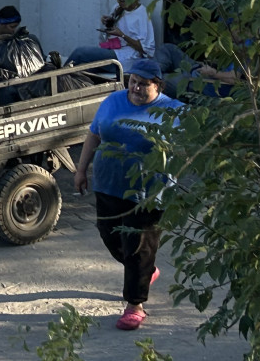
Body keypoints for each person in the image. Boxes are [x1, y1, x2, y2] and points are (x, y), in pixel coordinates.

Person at [74, 58, 183, 331]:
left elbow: (193, 144)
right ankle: (145, 271)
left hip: (148, 192)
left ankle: (135, 304)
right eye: (133, 81)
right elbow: (94, 134)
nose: (135, 88)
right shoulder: (113, 101)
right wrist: (81, 170)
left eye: (143, 84)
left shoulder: (172, 111)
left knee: (138, 247)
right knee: (109, 235)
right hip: (109, 184)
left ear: (157, 85)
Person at [68, 0, 155, 71]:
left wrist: (122, 35)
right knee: (80, 68)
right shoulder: (117, 8)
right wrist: (108, 22)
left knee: (80, 53)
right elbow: (113, 31)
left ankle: (59, 76)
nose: (119, 2)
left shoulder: (143, 13)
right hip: (113, 48)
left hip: (127, 57)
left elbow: (147, 50)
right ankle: (63, 77)